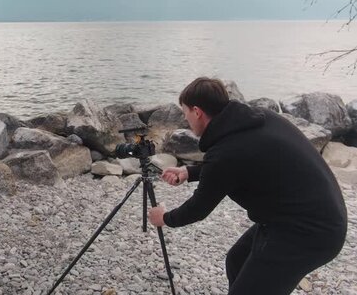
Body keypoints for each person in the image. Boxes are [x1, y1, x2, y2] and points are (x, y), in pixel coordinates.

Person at [148, 77, 347, 294]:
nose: (185, 118)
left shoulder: (225, 152)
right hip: (313, 214)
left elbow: (198, 208)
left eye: (184, 111)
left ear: (197, 112)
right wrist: (190, 171)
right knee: (237, 260)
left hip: (309, 232)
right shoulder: (259, 119)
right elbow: (240, 164)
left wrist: (165, 218)